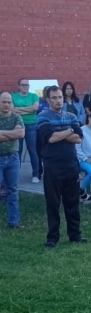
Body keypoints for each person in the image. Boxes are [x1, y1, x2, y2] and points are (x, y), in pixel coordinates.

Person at [37, 86, 86, 248]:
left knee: (72, 203)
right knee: (53, 203)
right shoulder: (43, 116)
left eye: (60, 97)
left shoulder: (71, 115)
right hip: (52, 167)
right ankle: (52, 237)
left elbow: (79, 138)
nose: (58, 100)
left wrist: (63, 133)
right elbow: (50, 138)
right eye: (54, 98)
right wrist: (70, 130)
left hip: (71, 166)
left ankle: (75, 235)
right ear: (48, 100)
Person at [0, 92, 25, 229]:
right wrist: (12, 134)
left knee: (13, 190)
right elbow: (15, 134)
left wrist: (2, 133)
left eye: (9, 102)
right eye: (4, 102)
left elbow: (21, 134)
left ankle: (13, 222)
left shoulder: (17, 117)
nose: (6, 105)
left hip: (13, 158)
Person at [12, 78, 40, 183]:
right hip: (17, 126)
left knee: (33, 150)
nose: (25, 87)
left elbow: (35, 108)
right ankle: (16, 174)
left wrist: (19, 110)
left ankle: (35, 175)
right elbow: (12, 110)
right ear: (18, 86)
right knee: (17, 151)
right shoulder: (13, 96)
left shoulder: (34, 96)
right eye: (23, 85)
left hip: (31, 126)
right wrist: (29, 109)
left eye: (27, 85)